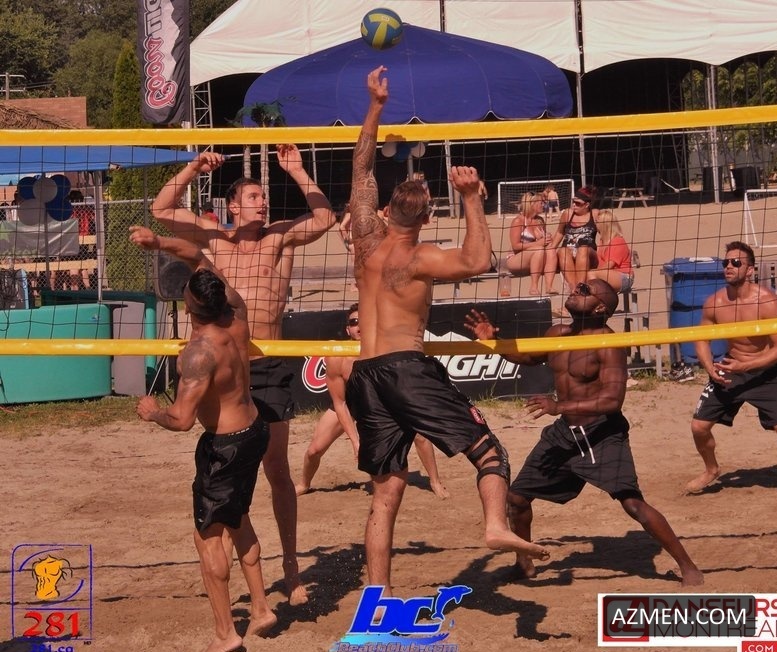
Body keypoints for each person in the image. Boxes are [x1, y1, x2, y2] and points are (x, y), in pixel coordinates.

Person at [346, 65, 549, 594]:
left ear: (385, 211)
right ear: (427, 217)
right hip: (405, 367)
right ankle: (495, 525)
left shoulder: (364, 242)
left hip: (364, 374)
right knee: (490, 453)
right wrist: (473, 197)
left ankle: (377, 599)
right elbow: (479, 259)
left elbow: (361, 166)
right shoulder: (421, 256)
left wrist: (374, 105)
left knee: (385, 494)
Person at [151, 146, 337, 606]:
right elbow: (160, 210)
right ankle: (243, 577)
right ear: (232, 206)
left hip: (267, 363)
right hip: (225, 368)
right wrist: (195, 166)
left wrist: (296, 171)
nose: (262, 203)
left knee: (277, 470)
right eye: (253, 197)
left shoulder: (278, 239)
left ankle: (291, 568)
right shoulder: (214, 238)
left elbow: (325, 218)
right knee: (231, 474)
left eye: (263, 197)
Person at [463, 279, 704, 586]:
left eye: (585, 290)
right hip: (565, 432)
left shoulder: (607, 343)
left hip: (601, 433)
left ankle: (688, 567)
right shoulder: (557, 334)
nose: (576, 290)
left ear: (600, 307)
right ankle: (524, 564)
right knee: (517, 498)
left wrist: (558, 406)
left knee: (633, 504)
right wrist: (494, 341)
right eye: (578, 286)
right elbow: (528, 357)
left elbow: (613, 400)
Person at [130, 226, 277, 652]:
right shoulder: (237, 312)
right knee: (239, 518)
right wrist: (159, 243)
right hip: (255, 431)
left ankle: (225, 632)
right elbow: (197, 256)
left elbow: (181, 420)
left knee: (209, 537)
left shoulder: (199, 354)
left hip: (225, 448)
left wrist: (151, 412)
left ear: (189, 304)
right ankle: (262, 608)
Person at [295, 303, 449, 499]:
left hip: (381, 400)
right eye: (354, 322)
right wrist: (356, 442)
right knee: (314, 450)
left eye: (363, 321)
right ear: (348, 330)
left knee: (420, 436)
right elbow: (340, 404)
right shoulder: (337, 357)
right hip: (350, 404)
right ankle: (304, 484)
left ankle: (435, 481)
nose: (359, 326)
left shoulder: (385, 351)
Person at [685, 241, 777, 496]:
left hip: (767, 372)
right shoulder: (715, 302)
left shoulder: (769, 302)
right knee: (698, 427)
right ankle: (711, 469)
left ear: (750, 270)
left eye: (736, 262)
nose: (729, 266)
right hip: (731, 368)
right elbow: (701, 339)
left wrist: (745, 365)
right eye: (726, 262)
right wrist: (709, 367)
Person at [504, 191, 558, 296]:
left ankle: (549, 286)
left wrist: (547, 239)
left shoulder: (540, 220)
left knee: (551, 249)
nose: (544, 205)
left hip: (536, 260)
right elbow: (516, 246)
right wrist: (538, 243)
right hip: (516, 259)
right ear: (532, 204)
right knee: (539, 249)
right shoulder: (518, 221)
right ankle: (534, 287)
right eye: (541, 202)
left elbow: (543, 243)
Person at [550, 185, 600, 291]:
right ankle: (574, 288)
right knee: (562, 250)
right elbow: (559, 232)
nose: (574, 205)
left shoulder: (595, 214)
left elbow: (605, 234)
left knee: (583, 249)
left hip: (588, 254)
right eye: (573, 202)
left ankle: (580, 286)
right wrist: (551, 249)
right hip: (568, 253)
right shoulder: (567, 214)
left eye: (578, 203)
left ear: (587, 205)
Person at [586, 209, 634, 293]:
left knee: (591, 274)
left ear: (604, 225)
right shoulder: (603, 241)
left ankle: (598, 298)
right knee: (586, 274)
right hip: (611, 274)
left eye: (596, 222)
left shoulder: (617, 240)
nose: (595, 224)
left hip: (625, 277)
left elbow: (609, 265)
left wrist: (594, 271)